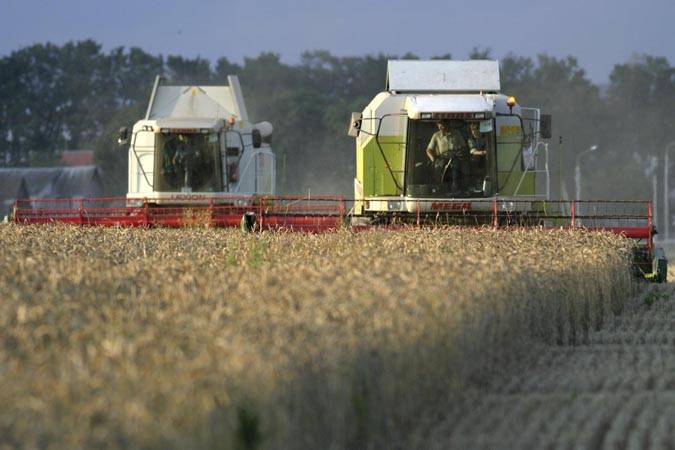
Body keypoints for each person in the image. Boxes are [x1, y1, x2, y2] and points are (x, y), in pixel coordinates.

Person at [426, 120, 469, 191]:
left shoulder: (457, 134)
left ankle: (456, 187)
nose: (441, 127)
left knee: (457, 166)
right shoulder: (436, 135)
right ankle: (439, 187)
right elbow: (429, 150)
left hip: (455, 157)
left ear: (448, 124)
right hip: (441, 158)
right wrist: (433, 159)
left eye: (443, 125)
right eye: (440, 125)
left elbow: (463, 147)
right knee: (439, 167)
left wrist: (460, 153)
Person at [468, 122, 487, 191]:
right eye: (472, 130)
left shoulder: (486, 137)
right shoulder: (471, 139)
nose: (474, 131)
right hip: (476, 159)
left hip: (487, 158)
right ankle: (475, 185)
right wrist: (483, 152)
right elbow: (473, 151)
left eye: (475, 129)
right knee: (474, 161)